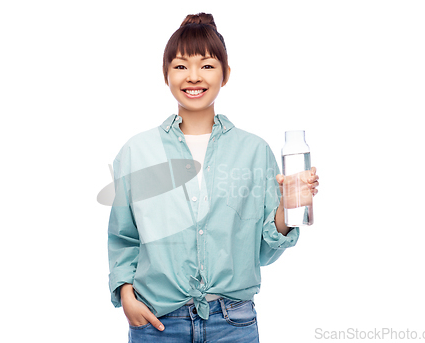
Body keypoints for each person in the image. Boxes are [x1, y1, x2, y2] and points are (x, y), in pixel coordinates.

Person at [108, 12, 320, 342]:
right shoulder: (138, 152)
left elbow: (263, 250)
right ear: (166, 75)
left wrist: (288, 211)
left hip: (232, 323)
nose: (193, 76)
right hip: (157, 322)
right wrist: (125, 295)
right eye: (180, 66)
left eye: (206, 65)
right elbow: (124, 237)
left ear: (226, 74)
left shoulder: (254, 151)